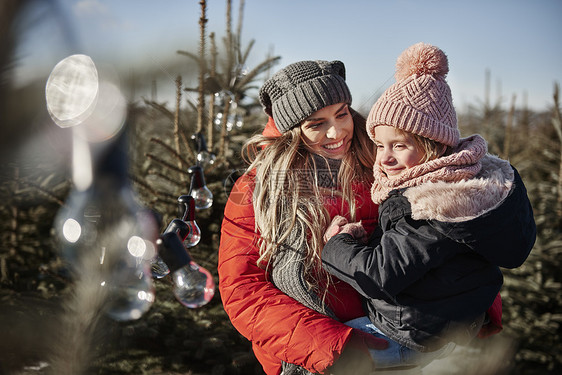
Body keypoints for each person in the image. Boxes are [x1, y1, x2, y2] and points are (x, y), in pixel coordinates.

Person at [321, 42, 537, 371]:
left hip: (405, 334)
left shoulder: (434, 205)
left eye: (400, 145)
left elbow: (380, 275)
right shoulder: (455, 182)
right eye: (380, 145)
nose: (385, 157)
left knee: (321, 358)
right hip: (432, 326)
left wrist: (337, 243)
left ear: (432, 146)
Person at [218, 60, 388, 374]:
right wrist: (333, 346)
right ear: (292, 131)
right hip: (321, 359)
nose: (337, 131)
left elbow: (430, 229)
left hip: (398, 341)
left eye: (342, 113)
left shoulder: (381, 163)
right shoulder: (256, 190)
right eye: (316, 123)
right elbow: (242, 291)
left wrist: (472, 304)